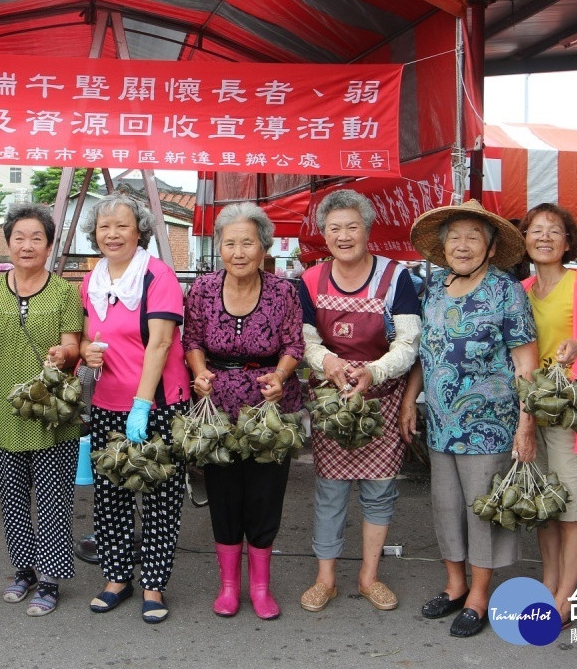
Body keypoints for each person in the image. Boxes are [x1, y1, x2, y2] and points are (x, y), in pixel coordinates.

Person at [405, 199, 537, 638]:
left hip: (490, 424)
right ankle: (455, 585)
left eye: (473, 237)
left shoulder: (506, 290)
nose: (462, 245)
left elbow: (526, 364)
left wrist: (526, 425)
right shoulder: (435, 287)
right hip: (441, 422)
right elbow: (425, 352)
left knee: (483, 510)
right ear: (444, 247)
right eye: (455, 237)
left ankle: (479, 596)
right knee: (446, 506)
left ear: (491, 246)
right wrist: (409, 400)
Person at [296, 190, 420, 615]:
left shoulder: (396, 278)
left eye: (352, 226)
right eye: (334, 228)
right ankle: (325, 579)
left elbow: (409, 342)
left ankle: (369, 577)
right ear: (324, 234)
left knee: (379, 491)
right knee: (330, 491)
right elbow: (305, 340)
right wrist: (327, 362)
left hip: (381, 399)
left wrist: (375, 372)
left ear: (367, 230)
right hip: (332, 403)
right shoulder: (310, 280)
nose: (343, 236)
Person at [183, 202, 304, 620]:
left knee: (265, 496)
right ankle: (230, 586)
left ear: (264, 247)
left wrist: (281, 375)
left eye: (247, 243)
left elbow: (294, 344)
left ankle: (261, 587)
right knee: (224, 496)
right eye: (230, 243)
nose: (238, 252)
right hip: (217, 409)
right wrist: (199, 373)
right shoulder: (202, 289)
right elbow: (191, 340)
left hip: (269, 409)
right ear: (219, 247)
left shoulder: (284, 291)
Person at [78, 192, 191, 625]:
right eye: (104, 227)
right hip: (107, 403)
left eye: (122, 226)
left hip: (156, 404)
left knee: (161, 496)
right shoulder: (93, 281)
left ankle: (154, 585)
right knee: (111, 496)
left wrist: (141, 405)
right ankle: (116, 579)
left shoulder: (157, 276)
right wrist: (86, 351)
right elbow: (89, 336)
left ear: (139, 230)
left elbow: (160, 343)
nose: (112, 234)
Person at [0, 203, 83, 617]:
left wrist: (63, 353)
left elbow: (73, 346)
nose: (27, 245)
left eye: (37, 238)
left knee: (53, 498)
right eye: (19, 237)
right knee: (13, 497)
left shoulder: (65, 292)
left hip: (50, 412)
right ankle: (24, 570)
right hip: (4, 408)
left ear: (49, 246)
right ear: (7, 243)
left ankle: (50, 578)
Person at [519, 203, 577, 626]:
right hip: (532, 414)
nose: (544, 237)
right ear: (524, 239)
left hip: (572, 418)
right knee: (546, 510)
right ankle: (548, 584)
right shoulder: (521, 290)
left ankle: (565, 598)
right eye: (535, 230)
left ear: (569, 241)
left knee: (571, 513)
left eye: (554, 230)